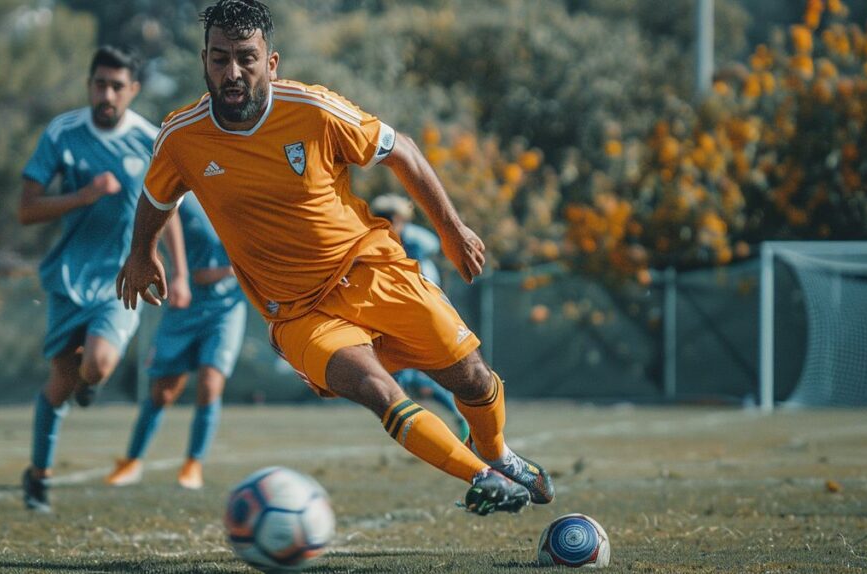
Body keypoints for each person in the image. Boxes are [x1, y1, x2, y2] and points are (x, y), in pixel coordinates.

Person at [117, 0, 554, 516]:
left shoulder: (315, 111)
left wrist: (452, 230)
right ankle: (480, 477)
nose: (232, 72)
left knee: (473, 378)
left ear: (271, 63)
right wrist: (141, 252)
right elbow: (157, 196)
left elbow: (403, 151)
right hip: (298, 313)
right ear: (204, 60)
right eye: (218, 58)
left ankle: (496, 453)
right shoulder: (182, 137)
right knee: (377, 389)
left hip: (372, 270)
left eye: (245, 57)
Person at [18, 46, 175, 512]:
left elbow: (171, 210)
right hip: (69, 278)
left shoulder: (150, 139)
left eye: (116, 86)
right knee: (60, 382)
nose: (106, 94)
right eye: (99, 84)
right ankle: (38, 475)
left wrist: (178, 271)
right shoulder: (62, 133)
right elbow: (26, 210)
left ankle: (90, 380)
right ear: (89, 85)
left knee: (98, 365)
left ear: (133, 90)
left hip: (122, 276)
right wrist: (82, 196)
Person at [106, 193, 247, 490]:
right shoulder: (188, 181)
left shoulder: (241, 181)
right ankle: (132, 461)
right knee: (163, 392)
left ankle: (193, 463)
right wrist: (181, 273)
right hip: (185, 303)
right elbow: (163, 216)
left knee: (210, 384)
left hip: (226, 307)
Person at [370, 194, 469, 441]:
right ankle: (447, 422)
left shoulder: (414, 241)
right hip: (398, 312)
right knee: (406, 375)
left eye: (389, 218)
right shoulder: (378, 239)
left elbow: (432, 244)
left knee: (418, 373)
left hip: (424, 310)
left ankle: (456, 417)